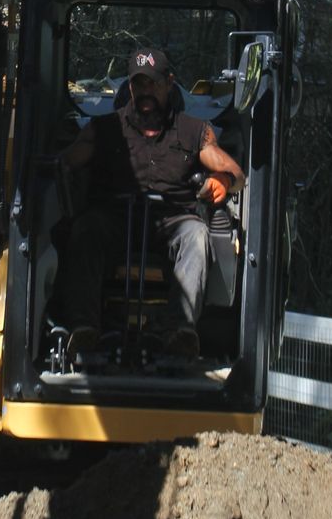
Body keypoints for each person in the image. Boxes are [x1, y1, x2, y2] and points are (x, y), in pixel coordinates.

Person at [52, 47, 246, 360]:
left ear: (169, 83)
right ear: (129, 87)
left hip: (173, 219)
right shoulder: (103, 129)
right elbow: (64, 163)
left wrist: (224, 181)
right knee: (85, 228)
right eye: (138, 84)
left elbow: (237, 174)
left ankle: (180, 331)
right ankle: (84, 328)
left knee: (197, 235)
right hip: (115, 217)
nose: (146, 92)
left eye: (153, 84)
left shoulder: (195, 131)